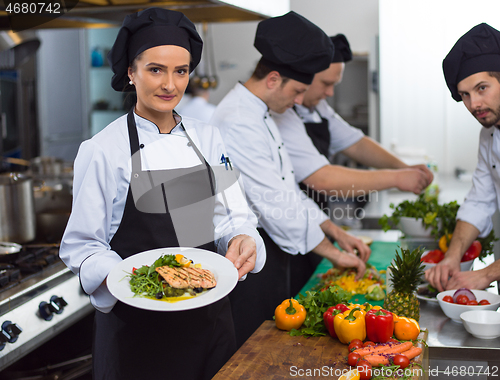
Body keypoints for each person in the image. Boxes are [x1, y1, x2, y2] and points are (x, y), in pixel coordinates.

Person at [59, 8, 265, 380]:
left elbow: (234, 215)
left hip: (211, 321)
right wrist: (139, 283)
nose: (170, 84)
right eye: (156, 69)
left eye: (181, 71)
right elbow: (83, 246)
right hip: (139, 333)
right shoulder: (103, 149)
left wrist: (241, 238)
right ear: (130, 72)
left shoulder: (208, 138)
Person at [210, 11, 370, 348]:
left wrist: (335, 231)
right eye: (297, 90)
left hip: (274, 252)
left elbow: (288, 191)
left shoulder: (262, 113)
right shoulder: (239, 120)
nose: (300, 100)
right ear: (272, 79)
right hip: (249, 261)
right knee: (253, 355)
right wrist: (334, 253)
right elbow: (274, 204)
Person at [272, 34, 433, 212]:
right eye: (326, 83)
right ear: (304, 74)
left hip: (315, 217)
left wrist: (404, 168)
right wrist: (397, 178)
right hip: (287, 218)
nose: (330, 93)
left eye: (335, 85)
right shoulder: (281, 113)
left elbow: (356, 144)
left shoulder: (319, 107)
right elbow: (323, 179)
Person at [425, 23, 500, 292]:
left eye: (482, 88)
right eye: (465, 95)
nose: (473, 104)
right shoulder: (489, 134)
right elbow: (480, 201)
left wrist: (486, 274)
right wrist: (452, 257)